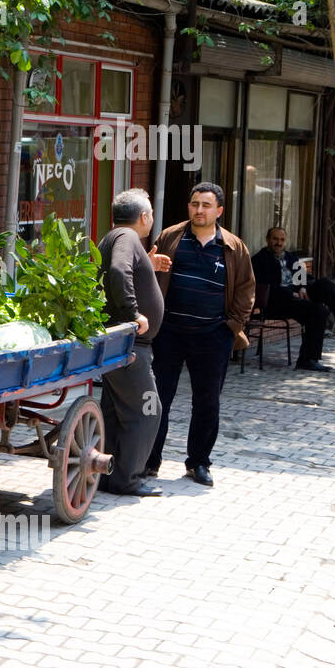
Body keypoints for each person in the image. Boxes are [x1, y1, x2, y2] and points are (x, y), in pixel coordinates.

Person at [145, 182, 255, 489]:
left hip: (212, 337)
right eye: (195, 204)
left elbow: (247, 289)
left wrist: (231, 326)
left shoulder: (233, 247)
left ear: (219, 211)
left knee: (207, 402)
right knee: (157, 398)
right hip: (169, 333)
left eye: (206, 205)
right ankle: (150, 460)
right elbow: (148, 274)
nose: (199, 210)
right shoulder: (170, 237)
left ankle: (198, 463)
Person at [97, 189, 164, 497]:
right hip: (129, 345)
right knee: (149, 410)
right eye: (150, 213)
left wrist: (147, 264)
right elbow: (117, 270)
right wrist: (133, 313)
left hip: (122, 344)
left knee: (115, 411)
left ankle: (109, 474)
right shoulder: (127, 237)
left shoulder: (117, 236)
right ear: (144, 217)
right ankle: (128, 479)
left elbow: (124, 269)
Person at [251, 227, 335, 372]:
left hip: (297, 298)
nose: (278, 243)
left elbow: (303, 277)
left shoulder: (290, 258)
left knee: (325, 284)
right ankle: (308, 360)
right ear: (267, 240)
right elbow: (267, 287)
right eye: (275, 239)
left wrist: (303, 287)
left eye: (282, 240)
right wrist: (292, 294)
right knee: (318, 311)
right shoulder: (259, 260)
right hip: (277, 302)